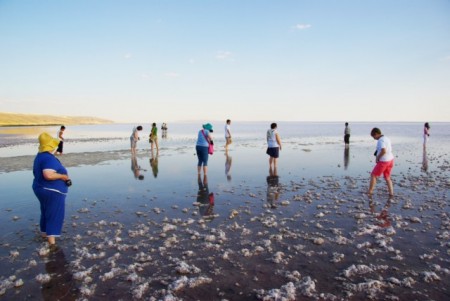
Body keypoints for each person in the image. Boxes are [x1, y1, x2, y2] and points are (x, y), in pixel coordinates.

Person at [32, 133, 71, 251]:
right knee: (54, 214)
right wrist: (63, 177)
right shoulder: (48, 158)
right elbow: (48, 175)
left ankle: (44, 234)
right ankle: (52, 245)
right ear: (50, 146)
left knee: (46, 212)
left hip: (41, 189)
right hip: (52, 191)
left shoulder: (40, 156)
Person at [368, 127, 394, 196]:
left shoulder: (380, 140)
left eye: (373, 136)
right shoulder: (386, 138)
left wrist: (377, 158)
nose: (374, 138)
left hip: (384, 161)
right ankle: (391, 193)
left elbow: (383, 151)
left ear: (376, 134)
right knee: (387, 177)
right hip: (390, 160)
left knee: (373, 175)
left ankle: (370, 192)